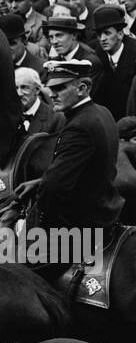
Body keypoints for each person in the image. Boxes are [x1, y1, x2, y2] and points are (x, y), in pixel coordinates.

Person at [23, 60, 121, 235]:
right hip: (106, 210)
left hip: (81, 224)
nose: (51, 95)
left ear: (82, 88)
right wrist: (40, 182)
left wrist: (38, 222)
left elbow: (54, 187)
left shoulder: (79, 126)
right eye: (51, 89)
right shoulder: (102, 112)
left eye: (59, 88)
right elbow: (92, 171)